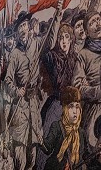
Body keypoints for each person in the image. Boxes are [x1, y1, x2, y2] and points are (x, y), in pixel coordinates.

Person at [4, 0, 62, 169]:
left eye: (24, 26)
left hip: (34, 106)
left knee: (32, 155)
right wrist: (16, 90)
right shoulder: (15, 53)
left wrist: (58, 14)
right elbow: (7, 80)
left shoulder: (37, 44)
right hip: (20, 109)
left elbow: (50, 41)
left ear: (29, 26)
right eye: (19, 28)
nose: (22, 30)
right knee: (20, 157)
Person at [38, 23, 78, 169]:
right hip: (56, 103)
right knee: (49, 135)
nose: (64, 41)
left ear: (71, 39)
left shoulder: (75, 58)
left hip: (70, 105)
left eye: (67, 37)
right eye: (61, 37)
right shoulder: (52, 57)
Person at [38, 86, 89, 170]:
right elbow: (48, 149)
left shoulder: (81, 132)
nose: (75, 111)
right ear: (65, 108)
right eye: (71, 106)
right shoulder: (57, 126)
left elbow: (87, 155)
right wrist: (41, 142)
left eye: (77, 106)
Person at [72, 11, 101, 152]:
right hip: (96, 109)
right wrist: (96, 91)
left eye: (98, 20)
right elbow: (78, 88)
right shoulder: (83, 55)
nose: (97, 24)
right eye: (92, 23)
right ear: (87, 33)